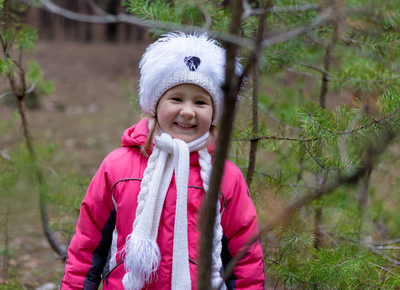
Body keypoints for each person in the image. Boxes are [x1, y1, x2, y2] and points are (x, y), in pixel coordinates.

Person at [61, 32, 265, 290]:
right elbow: (87, 246)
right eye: (176, 98)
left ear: (214, 113)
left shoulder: (225, 177)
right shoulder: (118, 167)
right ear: (155, 105)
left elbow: (245, 258)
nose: (188, 111)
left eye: (201, 102)